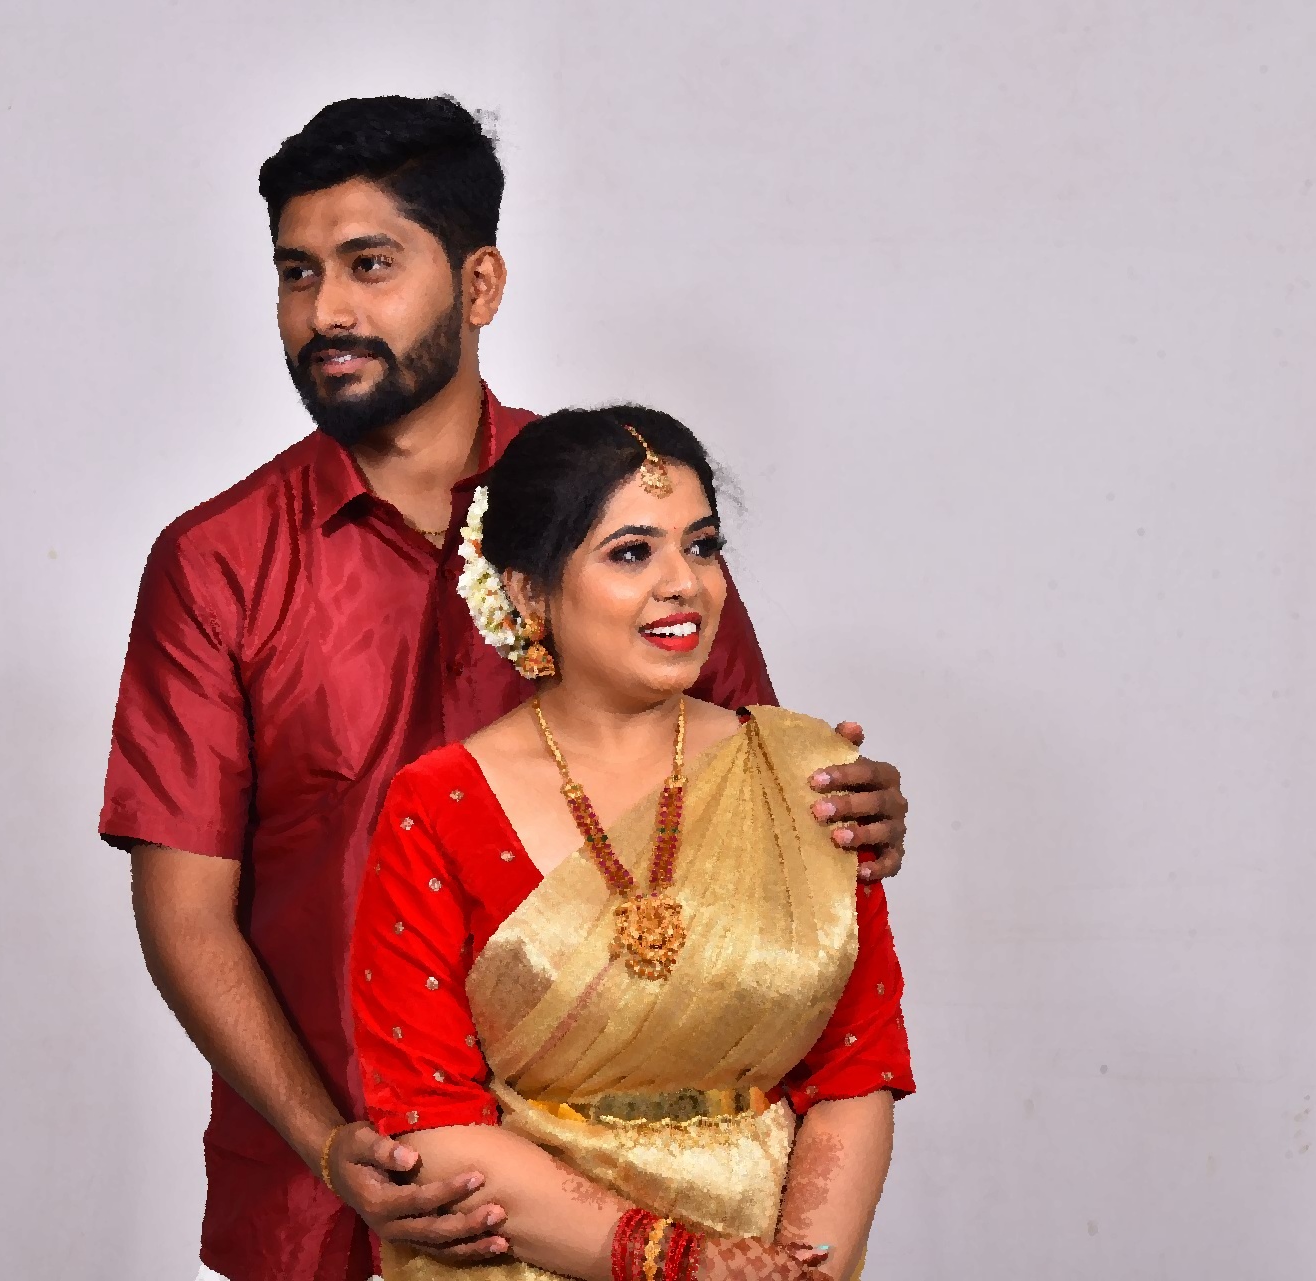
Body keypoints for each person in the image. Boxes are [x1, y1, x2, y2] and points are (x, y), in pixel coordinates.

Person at [97, 95, 910, 1281]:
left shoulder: (623, 512)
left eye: (370, 264)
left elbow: (740, 808)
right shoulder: (217, 564)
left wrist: (843, 813)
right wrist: (328, 1145)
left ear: (479, 283)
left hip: (650, 1209)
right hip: (329, 1194)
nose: (326, 311)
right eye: (296, 272)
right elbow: (186, 912)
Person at [349, 406, 912, 1281]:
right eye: (631, 552)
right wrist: (695, 1266)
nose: (683, 582)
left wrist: (801, 1272)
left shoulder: (802, 775)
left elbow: (856, 1065)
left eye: (702, 545)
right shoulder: (440, 804)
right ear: (528, 590)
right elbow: (432, 1121)